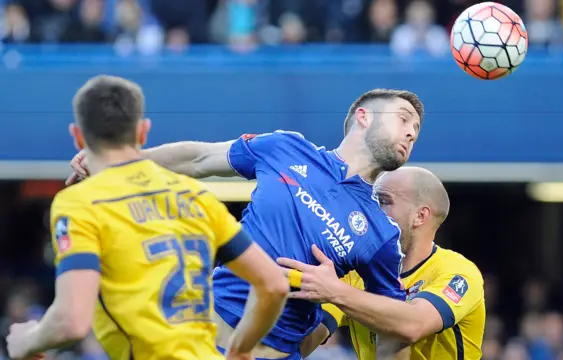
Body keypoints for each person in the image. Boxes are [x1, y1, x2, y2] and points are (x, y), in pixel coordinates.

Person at [67, 88, 424, 359]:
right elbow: (199, 157)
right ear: (364, 116)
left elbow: (398, 328)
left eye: (416, 129)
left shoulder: (382, 234)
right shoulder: (286, 148)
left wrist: (339, 294)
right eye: (404, 119)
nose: (411, 133)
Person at [5, 75, 288, 360]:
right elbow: (274, 284)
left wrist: (26, 341)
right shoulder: (194, 195)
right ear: (143, 132)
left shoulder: (79, 203)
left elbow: (72, 321)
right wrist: (241, 347)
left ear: (78, 136)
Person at [282, 167, 486, 359]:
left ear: (420, 216)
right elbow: (304, 343)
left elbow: (412, 325)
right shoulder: (355, 273)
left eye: (383, 202)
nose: (371, 212)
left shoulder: (459, 273)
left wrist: (335, 291)